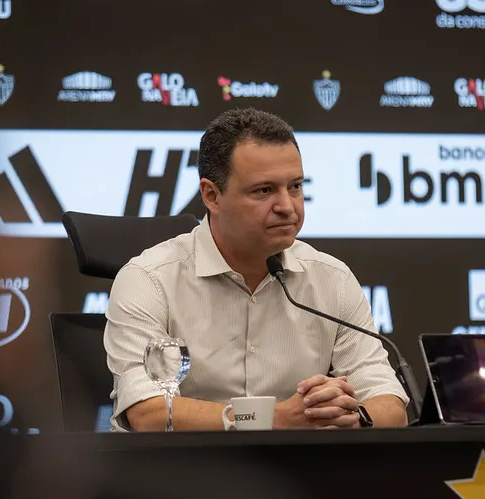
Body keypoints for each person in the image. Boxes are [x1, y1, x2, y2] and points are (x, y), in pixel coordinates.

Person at [105, 107, 408, 432]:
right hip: (181, 475)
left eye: (294, 186)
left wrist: (350, 415)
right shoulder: (149, 280)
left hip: (299, 476)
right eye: (264, 190)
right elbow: (147, 414)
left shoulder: (331, 279)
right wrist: (274, 419)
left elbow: (390, 405)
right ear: (211, 195)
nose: (287, 207)